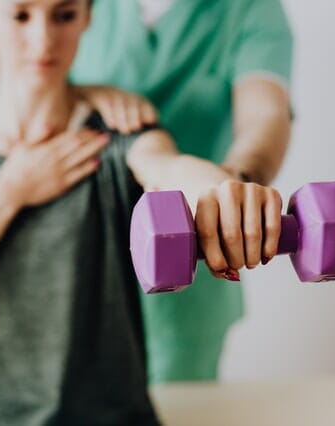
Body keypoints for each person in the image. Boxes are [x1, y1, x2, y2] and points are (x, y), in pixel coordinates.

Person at [0, 0, 282, 424]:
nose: (43, 40)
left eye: (64, 15)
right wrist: (8, 193)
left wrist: (222, 188)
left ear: (89, 16)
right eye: (20, 16)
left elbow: (168, 166)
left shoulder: (121, 135)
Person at [70, 0, 294, 383]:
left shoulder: (250, 10)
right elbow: (17, 86)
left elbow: (265, 116)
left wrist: (231, 189)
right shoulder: (75, 8)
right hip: (73, 269)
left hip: (189, 285)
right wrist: (81, 95)